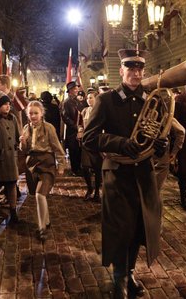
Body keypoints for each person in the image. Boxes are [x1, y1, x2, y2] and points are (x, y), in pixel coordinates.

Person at [82, 48, 168, 298]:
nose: (136, 73)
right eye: (130, 69)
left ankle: (129, 272)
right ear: (121, 71)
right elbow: (89, 138)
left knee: (141, 228)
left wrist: (161, 144)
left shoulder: (152, 99)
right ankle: (119, 277)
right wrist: (119, 143)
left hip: (143, 175)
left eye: (140, 69)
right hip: (117, 176)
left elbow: (160, 137)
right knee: (122, 229)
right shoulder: (106, 100)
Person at [20, 101, 66, 241]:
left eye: (36, 113)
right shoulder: (26, 128)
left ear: (41, 113)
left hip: (46, 163)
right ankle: (46, 221)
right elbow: (25, 150)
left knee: (41, 194)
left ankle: (42, 228)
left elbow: (57, 147)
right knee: (37, 195)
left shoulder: (48, 128)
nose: (33, 116)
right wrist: (22, 142)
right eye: (31, 113)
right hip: (32, 164)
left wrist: (61, 164)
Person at [78, 90, 104, 201]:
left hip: (97, 142)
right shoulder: (84, 111)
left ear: (96, 99)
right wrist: (80, 130)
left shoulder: (101, 111)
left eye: (91, 98)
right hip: (86, 142)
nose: (89, 100)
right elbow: (80, 124)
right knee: (85, 167)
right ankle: (89, 188)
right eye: (88, 98)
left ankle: (97, 191)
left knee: (97, 168)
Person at [60, 82, 87, 176]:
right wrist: (76, 126)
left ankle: (80, 167)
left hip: (80, 130)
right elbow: (65, 117)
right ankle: (75, 169)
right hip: (72, 131)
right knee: (73, 150)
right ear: (70, 91)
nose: (77, 90)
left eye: (76, 88)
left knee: (79, 149)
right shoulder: (66, 102)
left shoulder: (78, 101)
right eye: (75, 88)